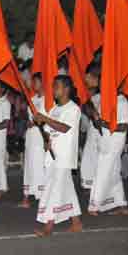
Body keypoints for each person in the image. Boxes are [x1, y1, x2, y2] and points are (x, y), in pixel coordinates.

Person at [33, 75, 82, 237]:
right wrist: (46, 140)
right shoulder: (54, 109)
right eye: (53, 86)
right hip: (52, 156)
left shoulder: (73, 109)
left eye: (57, 86)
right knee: (66, 189)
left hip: (64, 157)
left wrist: (44, 118)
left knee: (54, 191)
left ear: (66, 89)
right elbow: (49, 131)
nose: (53, 89)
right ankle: (76, 222)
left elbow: (64, 128)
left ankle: (48, 226)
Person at [88, 90, 128, 216]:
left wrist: (102, 123)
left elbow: (123, 126)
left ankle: (94, 205)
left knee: (102, 171)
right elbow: (100, 122)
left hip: (114, 142)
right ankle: (121, 204)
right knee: (113, 173)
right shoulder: (106, 98)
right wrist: (94, 116)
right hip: (105, 141)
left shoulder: (122, 102)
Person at [19, 73, 46, 208]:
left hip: (40, 137)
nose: (33, 84)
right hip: (30, 136)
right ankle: (26, 197)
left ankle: (42, 197)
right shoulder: (33, 99)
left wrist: (34, 123)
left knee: (39, 165)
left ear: (42, 82)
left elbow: (46, 119)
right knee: (29, 165)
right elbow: (28, 117)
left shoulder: (48, 100)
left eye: (35, 81)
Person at [80, 63, 101, 190]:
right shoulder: (91, 94)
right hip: (91, 130)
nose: (86, 79)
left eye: (89, 77)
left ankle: (95, 184)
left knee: (96, 157)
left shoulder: (101, 96)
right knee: (89, 155)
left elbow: (95, 115)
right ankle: (89, 183)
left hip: (100, 131)